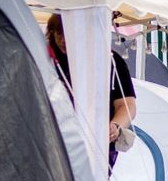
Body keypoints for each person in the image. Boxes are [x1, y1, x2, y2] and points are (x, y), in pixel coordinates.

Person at [44, 14, 137, 170]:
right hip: (53, 145)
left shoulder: (111, 60)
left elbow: (127, 105)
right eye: (59, 34)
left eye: (69, 34)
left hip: (98, 148)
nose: (63, 40)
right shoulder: (44, 59)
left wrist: (115, 125)